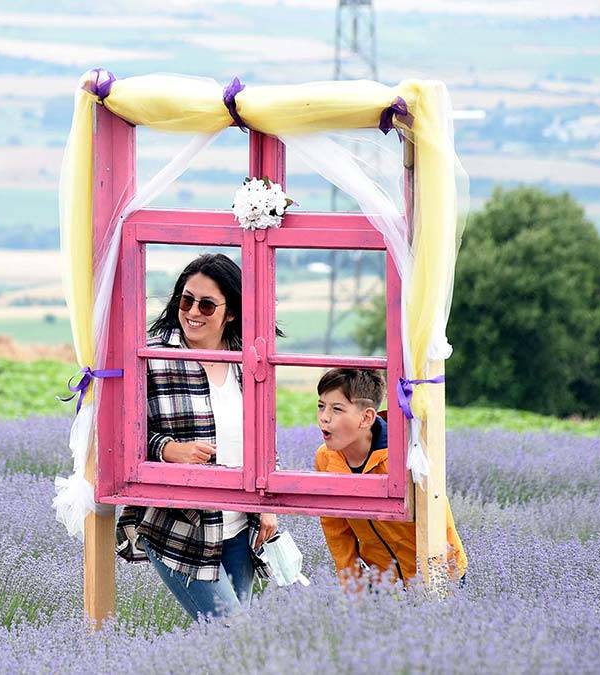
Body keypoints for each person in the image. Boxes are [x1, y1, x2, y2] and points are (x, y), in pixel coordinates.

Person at [116, 253, 278, 621]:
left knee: (231, 647)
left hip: (241, 527)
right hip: (181, 527)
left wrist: (269, 504)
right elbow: (122, 435)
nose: (193, 312)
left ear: (231, 312)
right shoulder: (151, 356)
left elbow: (265, 438)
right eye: (186, 300)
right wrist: (169, 449)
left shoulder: (248, 360)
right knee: (233, 633)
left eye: (206, 304)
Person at [313, 368, 468, 587]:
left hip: (438, 575)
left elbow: (437, 522)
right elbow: (335, 527)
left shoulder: (405, 457)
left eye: (337, 409)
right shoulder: (325, 458)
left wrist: (439, 584)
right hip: (384, 582)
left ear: (366, 417)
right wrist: (352, 584)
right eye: (321, 406)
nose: (324, 418)